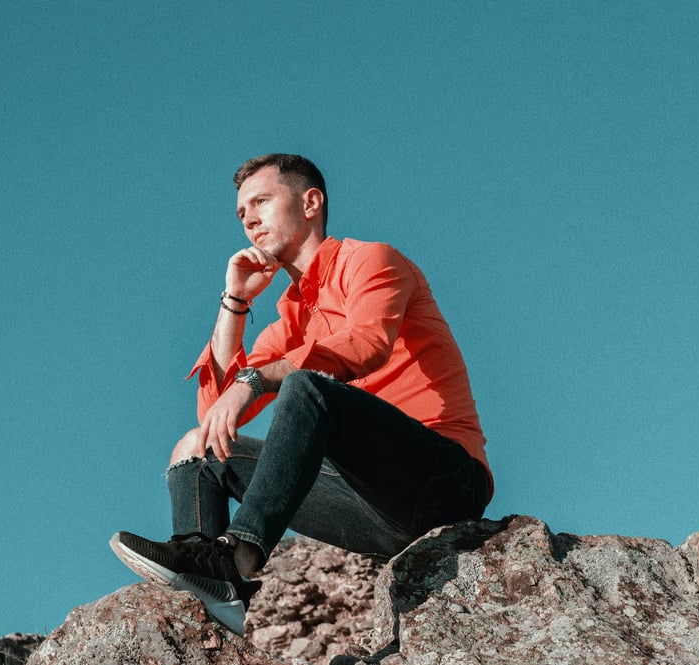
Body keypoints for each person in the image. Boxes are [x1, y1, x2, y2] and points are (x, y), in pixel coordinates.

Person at [110, 153, 493, 635]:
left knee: (304, 384)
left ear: (311, 202)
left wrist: (257, 380)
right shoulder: (290, 321)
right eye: (241, 212)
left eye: (261, 201)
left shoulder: (370, 260)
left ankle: (239, 556)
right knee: (197, 450)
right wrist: (236, 301)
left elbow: (368, 344)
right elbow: (215, 416)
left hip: (444, 481)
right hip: (368, 506)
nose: (248, 218)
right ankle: (211, 601)